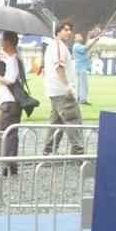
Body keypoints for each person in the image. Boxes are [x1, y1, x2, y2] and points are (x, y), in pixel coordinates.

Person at [41, 19, 85, 155]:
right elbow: (59, 67)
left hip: (55, 92)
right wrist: (68, 86)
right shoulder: (58, 46)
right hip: (63, 92)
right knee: (74, 121)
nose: (69, 32)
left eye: (70, 30)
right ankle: (78, 154)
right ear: (58, 31)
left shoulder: (53, 45)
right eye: (65, 30)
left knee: (56, 124)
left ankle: (48, 152)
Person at [0, 31, 24, 175]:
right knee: (10, 134)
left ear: (8, 42)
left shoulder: (13, 60)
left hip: (9, 103)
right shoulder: (14, 59)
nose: (0, 42)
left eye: (1, 39)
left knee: (6, 135)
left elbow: (10, 80)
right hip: (11, 102)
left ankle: (6, 167)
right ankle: (10, 166)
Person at [71, 32, 91, 105]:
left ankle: (79, 98)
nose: (81, 37)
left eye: (80, 36)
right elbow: (86, 48)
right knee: (83, 84)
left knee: (79, 84)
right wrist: (94, 41)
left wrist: (89, 36)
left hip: (79, 67)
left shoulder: (78, 46)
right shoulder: (77, 46)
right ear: (75, 39)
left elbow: (86, 47)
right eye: (78, 36)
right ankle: (83, 99)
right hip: (81, 67)